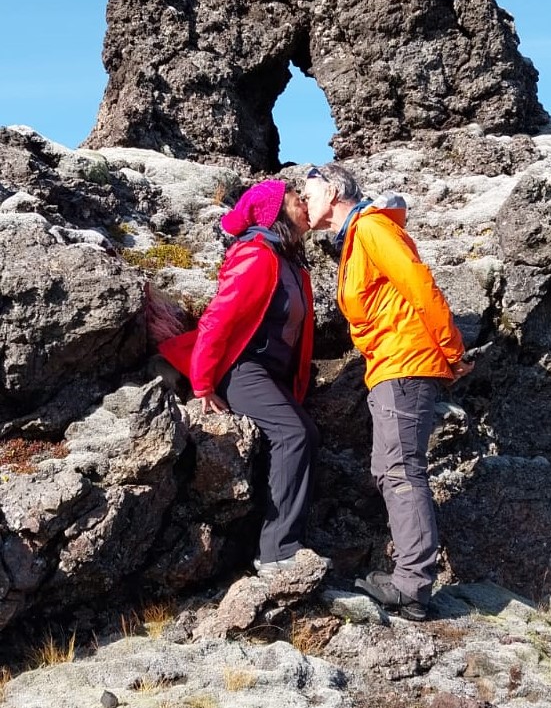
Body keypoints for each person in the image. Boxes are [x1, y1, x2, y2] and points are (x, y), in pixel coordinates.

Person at [303, 163, 473, 619]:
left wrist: (452, 351)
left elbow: (420, 284)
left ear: (335, 190)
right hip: (390, 366)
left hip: (404, 363)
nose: (304, 200)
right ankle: (409, 579)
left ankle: (412, 586)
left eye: (310, 191)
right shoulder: (354, 239)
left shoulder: (372, 228)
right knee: (389, 467)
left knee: (399, 470)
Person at [158, 179, 329, 576]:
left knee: (307, 432)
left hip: (267, 372)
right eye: (295, 199)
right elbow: (217, 320)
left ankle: (284, 541)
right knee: (294, 434)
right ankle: (278, 553)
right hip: (241, 368)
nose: (304, 202)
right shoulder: (256, 255)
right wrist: (202, 383)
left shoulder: (289, 260)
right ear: (272, 213)